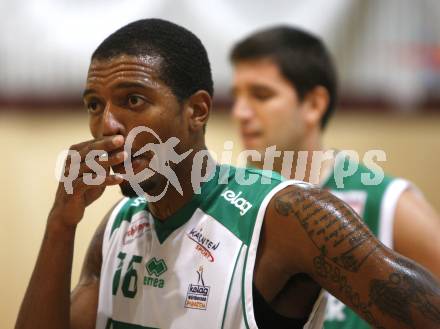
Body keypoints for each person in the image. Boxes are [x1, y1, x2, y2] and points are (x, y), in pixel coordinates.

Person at [15, 19, 440, 329]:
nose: (107, 125)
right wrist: (60, 224)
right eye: (94, 104)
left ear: (196, 111)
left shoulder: (288, 214)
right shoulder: (117, 226)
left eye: (133, 100)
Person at [229, 25, 440, 329]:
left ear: (314, 104)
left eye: (261, 95)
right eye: (236, 96)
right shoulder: (234, 197)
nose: (241, 112)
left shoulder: (387, 201)